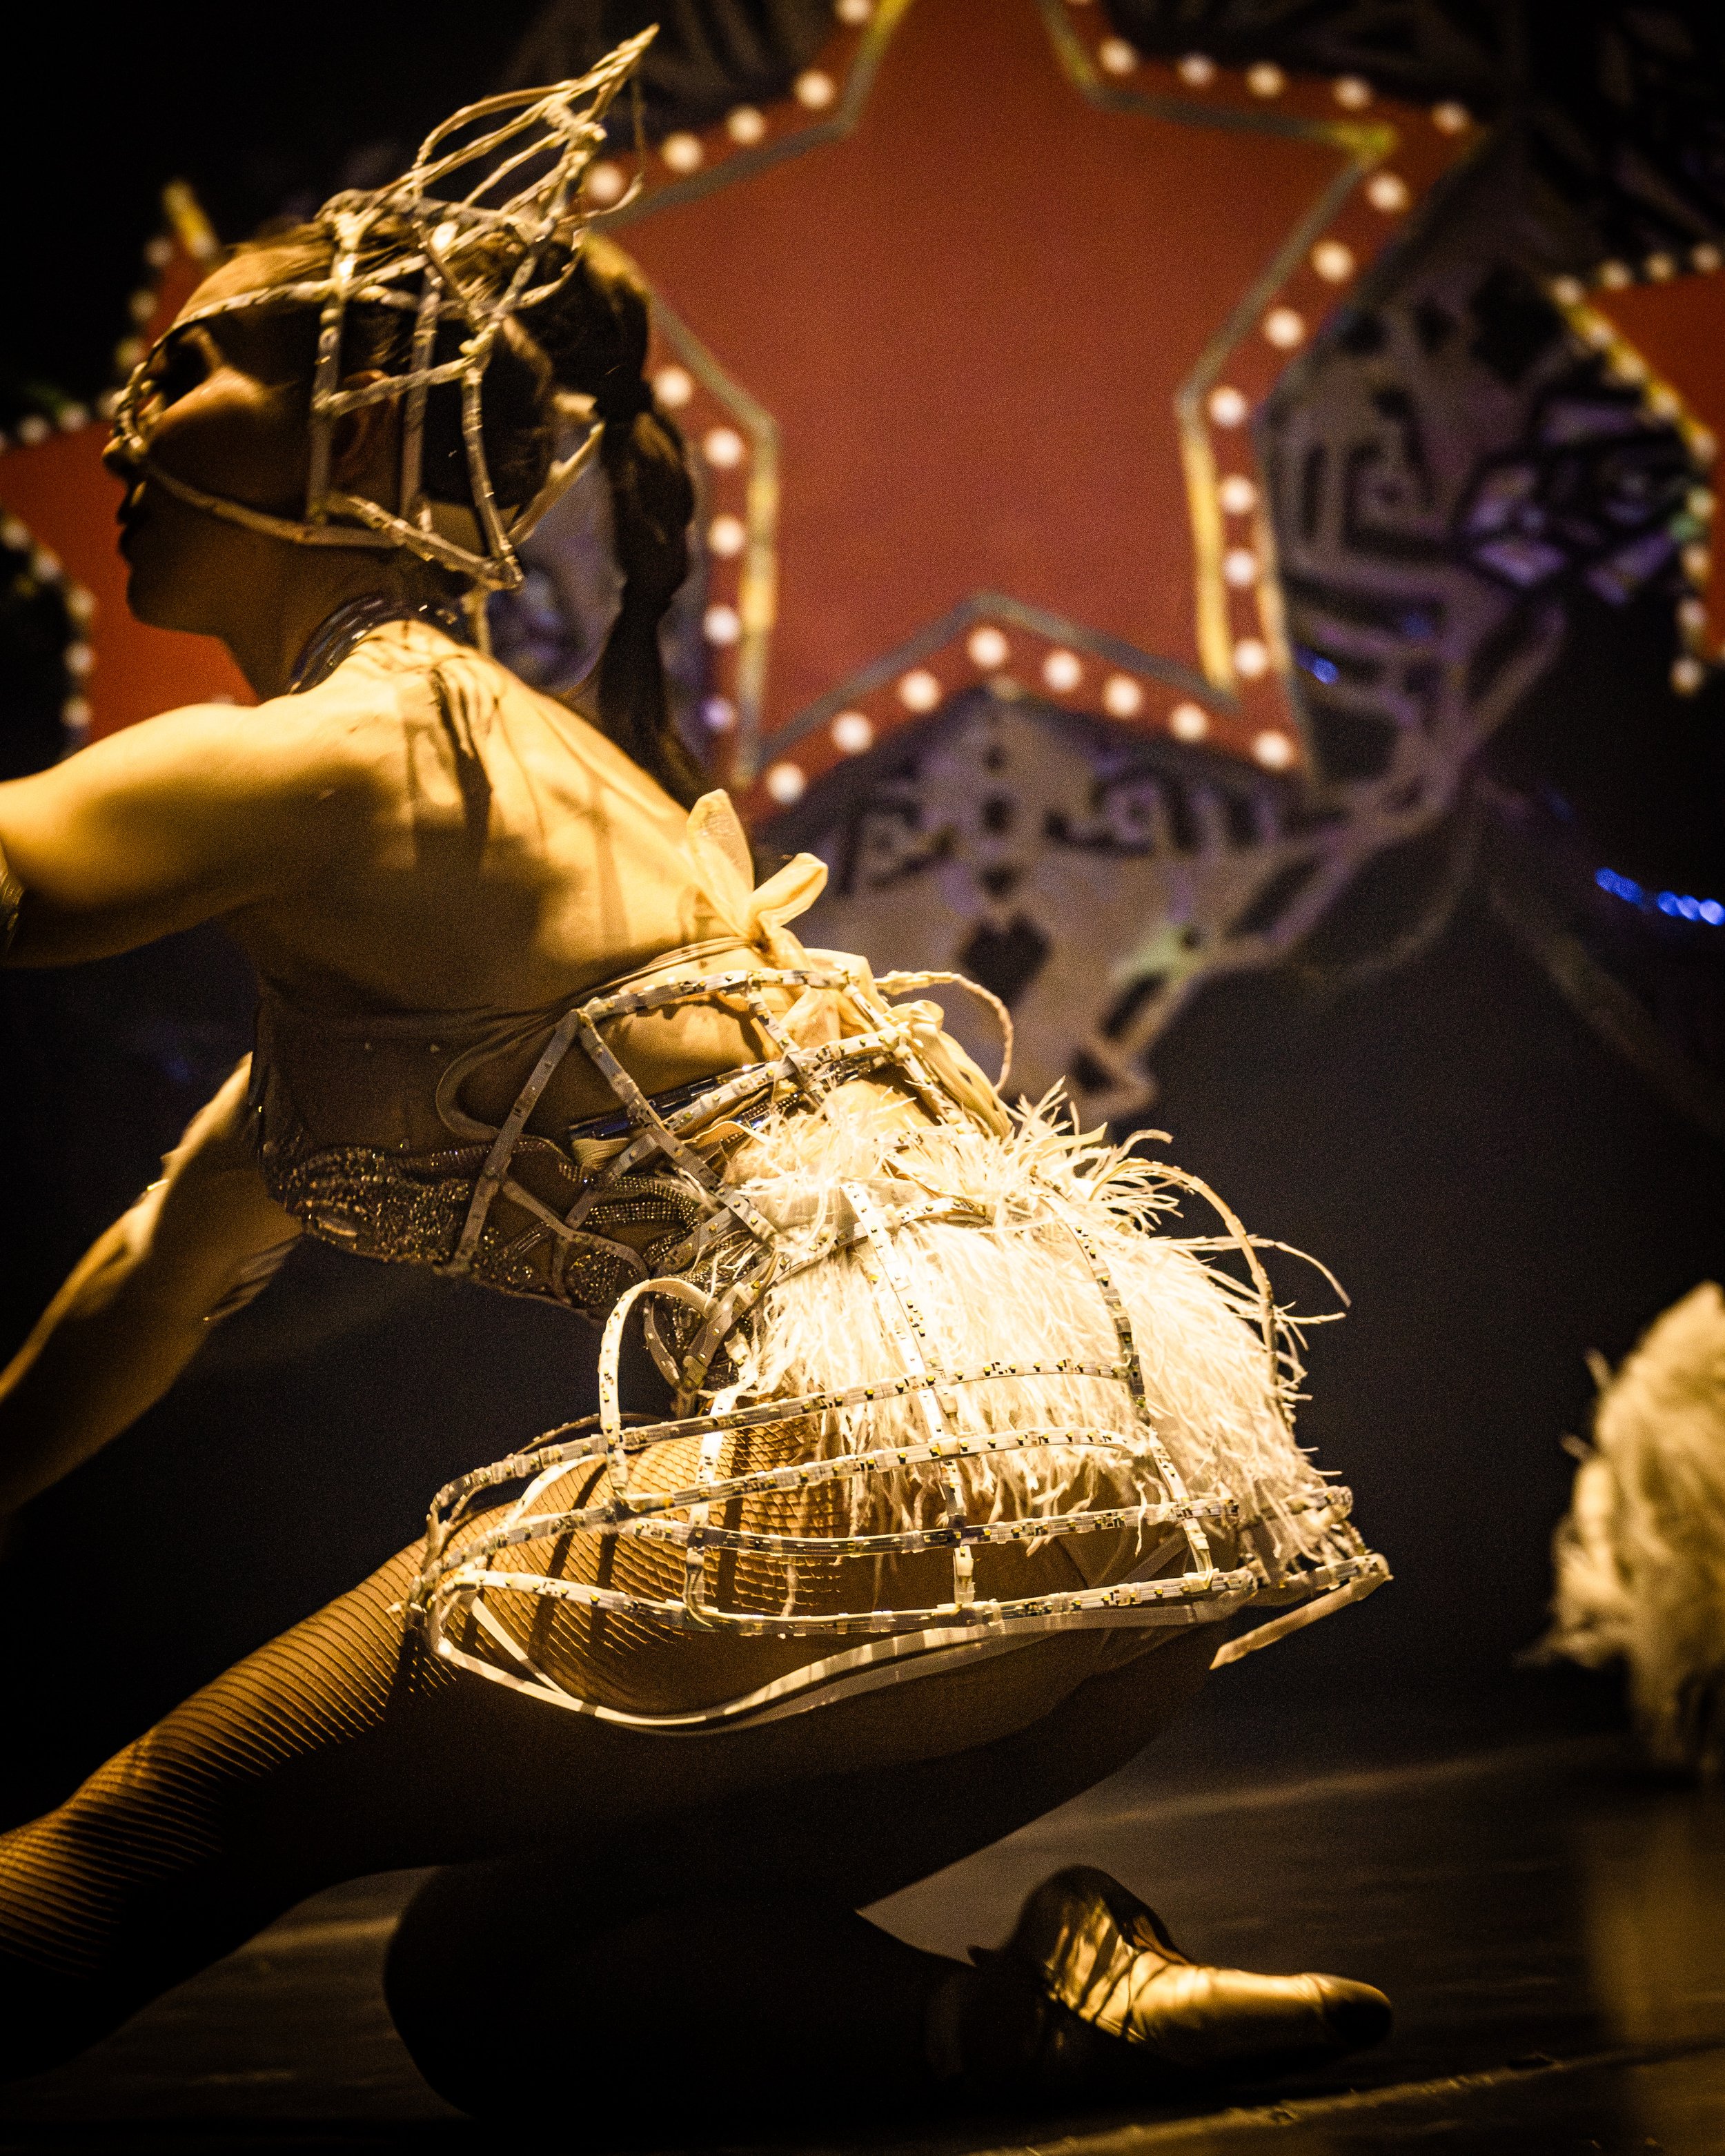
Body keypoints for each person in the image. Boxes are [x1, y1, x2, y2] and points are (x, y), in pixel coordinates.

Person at [0, 40, 1392, 2119]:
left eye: (190, 372)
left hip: (908, 1463)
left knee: (152, 1829)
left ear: (358, 417)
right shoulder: (495, 789)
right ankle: (1045, 2006)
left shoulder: (353, 755)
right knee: (495, 1971)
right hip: (1132, 1508)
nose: (126, 417)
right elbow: (159, 1273)